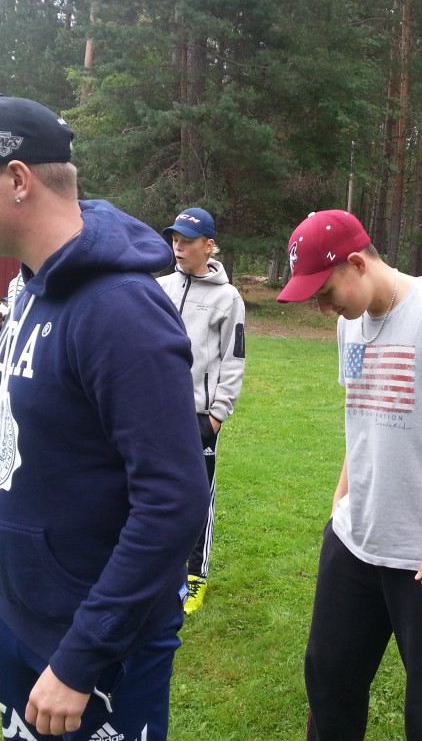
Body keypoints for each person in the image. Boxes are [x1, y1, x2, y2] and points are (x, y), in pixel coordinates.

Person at [0, 94, 210, 740]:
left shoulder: (120, 310)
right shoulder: (34, 292)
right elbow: (16, 459)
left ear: (18, 179)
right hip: (24, 621)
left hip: (97, 648)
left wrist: (82, 656)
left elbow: (173, 500)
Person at [277, 210, 422, 741]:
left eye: (325, 291)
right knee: (330, 684)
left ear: (357, 263)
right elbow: (363, 416)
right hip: (353, 541)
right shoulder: (350, 323)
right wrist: (341, 503)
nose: (323, 307)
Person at [158, 207, 245, 615]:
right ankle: (159, 571)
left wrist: (217, 415)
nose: (178, 247)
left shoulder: (228, 298)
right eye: (175, 240)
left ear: (209, 246)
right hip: (154, 412)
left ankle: (196, 578)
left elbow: (234, 359)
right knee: (150, 492)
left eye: (187, 241)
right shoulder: (158, 287)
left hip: (198, 417)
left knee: (196, 499)